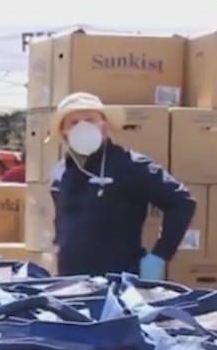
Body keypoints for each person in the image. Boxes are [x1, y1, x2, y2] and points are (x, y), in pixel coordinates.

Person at [48, 92, 195, 278]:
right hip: (71, 283)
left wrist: (159, 255)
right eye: (74, 123)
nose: (83, 127)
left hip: (118, 283)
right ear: (63, 131)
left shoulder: (131, 165)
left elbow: (182, 201)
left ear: (104, 125)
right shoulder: (60, 172)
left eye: (90, 120)